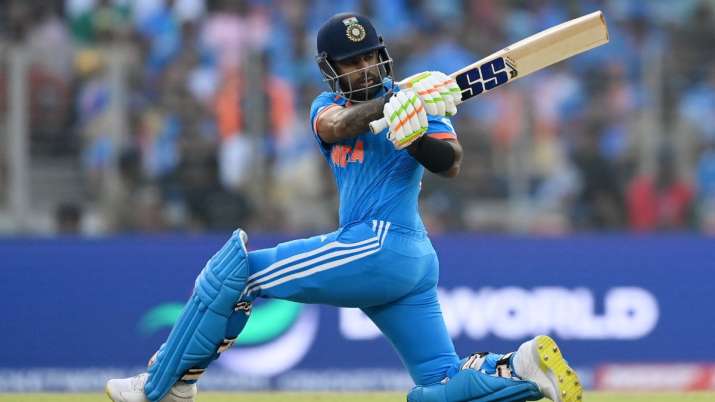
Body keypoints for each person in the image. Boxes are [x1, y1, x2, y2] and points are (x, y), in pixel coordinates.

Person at [106, 12, 582, 402]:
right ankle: (522, 370)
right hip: (395, 260)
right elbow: (336, 126)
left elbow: (449, 163)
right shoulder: (328, 105)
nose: (366, 68)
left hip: (383, 245)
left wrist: (414, 132)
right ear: (331, 68)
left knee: (238, 273)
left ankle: (163, 387)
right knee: (438, 386)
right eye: (352, 61)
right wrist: (391, 105)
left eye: (370, 56)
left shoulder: (419, 103)